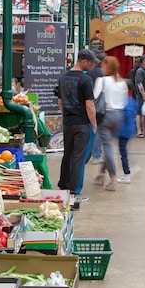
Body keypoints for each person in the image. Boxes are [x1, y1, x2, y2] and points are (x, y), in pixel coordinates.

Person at [57, 49, 99, 206]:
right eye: (91, 62)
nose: (93, 65)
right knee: (79, 158)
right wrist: (93, 124)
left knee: (67, 154)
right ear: (84, 61)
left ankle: (64, 186)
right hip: (82, 124)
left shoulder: (63, 78)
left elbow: (60, 103)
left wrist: (67, 116)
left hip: (68, 124)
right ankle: (75, 193)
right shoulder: (85, 80)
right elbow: (89, 104)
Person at [92, 56, 126, 191]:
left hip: (106, 115)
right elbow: (124, 101)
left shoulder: (102, 81)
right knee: (109, 144)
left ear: (108, 67)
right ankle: (101, 173)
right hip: (119, 115)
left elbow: (94, 97)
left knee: (107, 147)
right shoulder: (122, 82)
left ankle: (113, 177)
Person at [87, 52, 105, 164]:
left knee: (92, 129)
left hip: (90, 103)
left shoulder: (90, 73)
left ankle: (92, 153)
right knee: (98, 131)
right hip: (100, 106)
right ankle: (96, 154)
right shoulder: (103, 74)